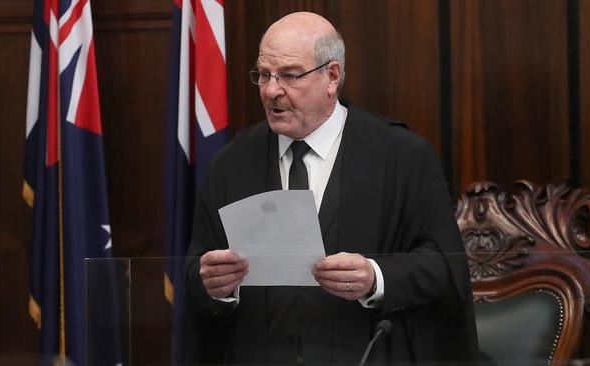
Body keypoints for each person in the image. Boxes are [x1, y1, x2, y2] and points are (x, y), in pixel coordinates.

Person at [184, 11, 478, 365]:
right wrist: (216, 286)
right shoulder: (231, 164)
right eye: (263, 75)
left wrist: (375, 278)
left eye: (290, 75)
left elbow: (447, 268)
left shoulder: (402, 156)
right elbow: (193, 272)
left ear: (332, 76)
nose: (272, 90)